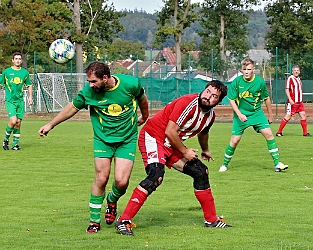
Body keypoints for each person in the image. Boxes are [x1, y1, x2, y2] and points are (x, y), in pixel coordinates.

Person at [38, 61, 149, 234]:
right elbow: (71, 108)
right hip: (102, 139)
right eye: (89, 81)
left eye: (93, 81)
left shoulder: (130, 84)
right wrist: (51, 125)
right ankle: (94, 221)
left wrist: (145, 115)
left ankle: (112, 201)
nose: (90, 85)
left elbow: (142, 99)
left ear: (105, 78)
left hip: (126, 139)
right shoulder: (89, 93)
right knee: (101, 178)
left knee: (121, 181)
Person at [115, 80, 231, 237]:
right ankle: (123, 220)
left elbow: (203, 133)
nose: (208, 96)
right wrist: (184, 152)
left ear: (219, 101)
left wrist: (205, 150)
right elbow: (170, 131)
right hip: (153, 137)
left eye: (214, 96)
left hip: (171, 144)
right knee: (156, 175)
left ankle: (211, 220)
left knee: (201, 172)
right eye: (207, 91)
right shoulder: (188, 103)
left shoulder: (210, 116)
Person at [219, 58, 288, 173]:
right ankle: (224, 164)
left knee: (269, 135)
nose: (246, 71)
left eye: (249, 69)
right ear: (241, 70)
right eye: (244, 69)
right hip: (240, 115)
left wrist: (270, 115)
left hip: (257, 114)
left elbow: (266, 99)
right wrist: (239, 114)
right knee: (235, 140)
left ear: (253, 70)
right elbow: (231, 100)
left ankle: (277, 163)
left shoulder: (260, 82)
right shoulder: (237, 82)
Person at [0, 52, 33, 150]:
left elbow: (29, 85)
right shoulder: (6, 72)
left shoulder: (24, 72)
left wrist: (30, 96)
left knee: (18, 123)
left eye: (19, 58)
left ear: (21, 61)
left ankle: (15, 145)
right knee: (13, 121)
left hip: (20, 101)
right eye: (16, 58)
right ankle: (6, 140)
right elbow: (1, 85)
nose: (18, 60)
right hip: (10, 101)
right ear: (12, 60)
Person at [276, 65, 311, 137]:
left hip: (300, 102)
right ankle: (279, 132)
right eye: (295, 70)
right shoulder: (290, 79)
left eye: (297, 70)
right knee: (288, 117)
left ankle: (305, 133)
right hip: (293, 102)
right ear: (292, 72)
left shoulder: (299, 79)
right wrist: (290, 99)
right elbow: (287, 89)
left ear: (299, 71)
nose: (296, 71)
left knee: (303, 115)